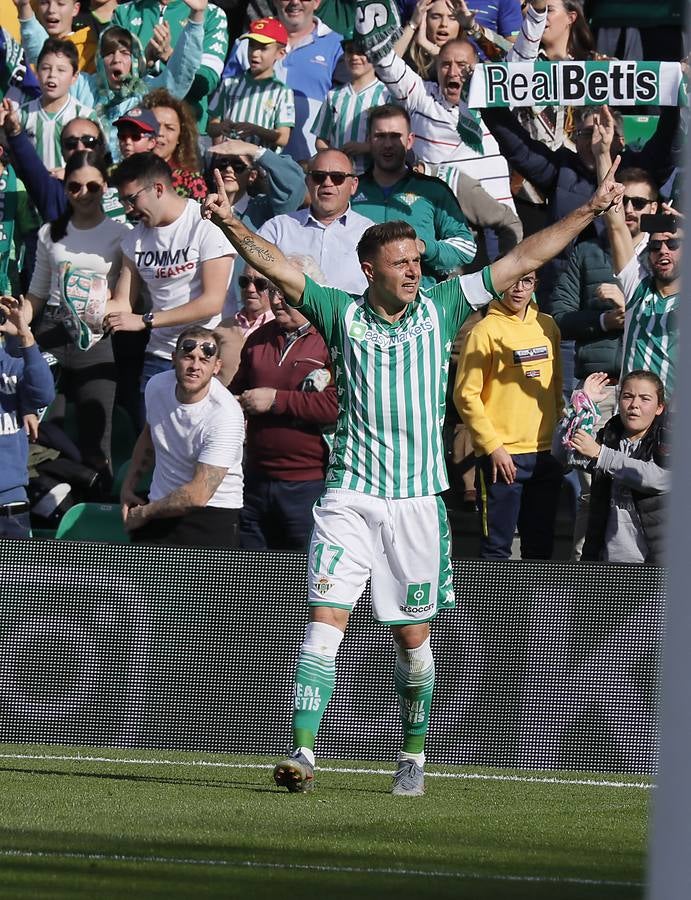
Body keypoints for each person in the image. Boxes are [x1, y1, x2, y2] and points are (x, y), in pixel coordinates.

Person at [202, 157, 624, 796]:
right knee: (326, 613)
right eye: (401, 263)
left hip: (417, 501)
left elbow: (522, 254)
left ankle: (413, 752)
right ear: (370, 270)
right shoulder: (338, 312)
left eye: (417, 261)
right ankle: (302, 751)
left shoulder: (446, 304)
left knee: (412, 636)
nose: (413, 271)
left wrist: (590, 211)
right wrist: (232, 219)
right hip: (348, 492)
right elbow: (278, 266)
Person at [551, 165, 659, 558]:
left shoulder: (666, 253)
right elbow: (559, 316)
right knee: (591, 491)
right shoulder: (587, 251)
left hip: (647, 396)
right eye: (621, 200)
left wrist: (627, 307)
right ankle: (588, 575)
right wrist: (601, 319)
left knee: (643, 491)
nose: (629, 209)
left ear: (656, 206)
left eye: (639, 202)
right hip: (597, 390)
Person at [25, 149, 128, 486]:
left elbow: (128, 298)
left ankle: (96, 510)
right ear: (65, 188)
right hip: (51, 329)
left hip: (97, 333)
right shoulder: (49, 232)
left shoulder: (122, 232)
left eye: (93, 187)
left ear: (106, 186)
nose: (83, 195)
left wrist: (101, 308)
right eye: (74, 187)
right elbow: (37, 294)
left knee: (97, 432)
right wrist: (16, 321)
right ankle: (58, 498)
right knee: (41, 427)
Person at [104, 151, 235, 416]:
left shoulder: (205, 224)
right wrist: (83, 305)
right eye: (123, 201)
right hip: (159, 357)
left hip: (204, 355)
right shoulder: (135, 241)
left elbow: (212, 303)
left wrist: (146, 320)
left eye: (132, 199)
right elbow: (122, 304)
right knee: (152, 444)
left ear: (159, 188)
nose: (129, 209)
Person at [230, 255, 338, 551]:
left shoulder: (333, 339)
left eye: (286, 293)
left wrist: (276, 400)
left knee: (302, 578)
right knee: (252, 577)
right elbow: (234, 393)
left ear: (311, 293)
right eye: (273, 291)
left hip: (307, 483)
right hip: (255, 479)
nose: (277, 301)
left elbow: (337, 406)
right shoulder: (258, 339)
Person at [454, 271, 564, 559]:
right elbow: (465, 395)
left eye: (527, 281)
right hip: (502, 458)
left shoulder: (547, 325)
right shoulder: (484, 330)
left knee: (540, 547)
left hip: (544, 454)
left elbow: (555, 385)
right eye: (512, 280)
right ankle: (493, 605)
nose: (518, 288)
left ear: (536, 285)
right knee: (497, 549)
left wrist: (559, 437)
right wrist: (492, 446)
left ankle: (537, 605)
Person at [120, 325, 244, 547]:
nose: (195, 366)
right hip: (158, 506)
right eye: (188, 357)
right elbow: (150, 434)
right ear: (173, 358)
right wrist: (128, 486)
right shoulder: (156, 386)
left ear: (217, 367)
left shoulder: (225, 414)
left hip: (211, 515)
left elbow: (198, 495)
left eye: (204, 361)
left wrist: (144, 513)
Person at [593, 107, 680, 395]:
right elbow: (616, 224)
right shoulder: (636, 287)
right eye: (655, 245)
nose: (663, 251)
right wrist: (602, 153)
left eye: (673, 244)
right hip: (631, 424)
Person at [352, 104, 477, 288]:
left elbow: (466, 247)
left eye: (396, 136)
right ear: (369, 140)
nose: (388, 144)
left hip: (419, 305)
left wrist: (424, 247)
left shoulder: (433, 190)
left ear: (410, 140)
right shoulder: (350, 189)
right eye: (380, 136)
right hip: (358, 303)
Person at [554, 369, 669, 565]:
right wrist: (582, 406)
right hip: (607, 560)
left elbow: (660, 478)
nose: (634, 405)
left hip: (657, 563)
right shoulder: (609, 435)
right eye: (628, 396)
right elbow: (563, 455)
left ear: (659, 408)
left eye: (645, 399)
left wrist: (601, 455)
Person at [223, 0, 343, 161]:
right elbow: (224, 105)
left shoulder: (338, 45)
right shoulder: (246, 43)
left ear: (316, 2)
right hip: (247, 165)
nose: (294, 2)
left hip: (308, 166)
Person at [206, 137, 306, 316]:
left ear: (252, 175)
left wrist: (254, 150)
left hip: (247, 314)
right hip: (205, 315)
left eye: (238, 165)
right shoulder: (201, 210)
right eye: (222, 164)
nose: (229, 169)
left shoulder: (263, 209)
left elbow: (295, 185)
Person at [257, 149, 376, 295]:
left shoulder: (370, 234)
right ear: (308, 182)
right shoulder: (277, 229)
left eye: (337, 177)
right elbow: (254, 281)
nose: (327, 182)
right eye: (319, 177)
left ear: (353, 185)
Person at [112, 0, 229, 129]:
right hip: (132, 129)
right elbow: (112, 81)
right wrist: (144, 62)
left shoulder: (212, 14)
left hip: (186, 129)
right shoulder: (124, 12)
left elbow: (204, 83)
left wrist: (170, 57)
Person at [0, 294, 55, 538]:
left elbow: (44, 395)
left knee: (14, 575)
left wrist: (26, 337)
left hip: (10, 500)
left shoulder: (12, 363)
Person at [208, 17, 295, 153]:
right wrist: (220, 127)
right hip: (228, 163)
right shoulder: (229, 83)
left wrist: (255, 130)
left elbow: (283, 137)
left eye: (263, 48)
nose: (254, 53)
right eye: (252, 46)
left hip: (261, 167)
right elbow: (211, 127)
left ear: (280, 53)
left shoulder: (282, 92)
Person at [312, 38, 391, 174]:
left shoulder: (386, 95)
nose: (354, 57)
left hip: (373, 176)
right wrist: (335, 155)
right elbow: (321, 140)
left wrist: (365, 147)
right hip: (339, 177)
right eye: (349, 51)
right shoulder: (333, 95)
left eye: (361, 52)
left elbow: (394, 142)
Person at [18, 38, 96, 172]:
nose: (52, 75)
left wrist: (68, 174)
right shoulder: (22, 114)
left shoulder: (85, 116)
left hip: (71, 189)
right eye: (46, 68)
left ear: (74, 77)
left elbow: (98, 161)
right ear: (37, 72)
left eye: (61, 70)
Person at [141, 88, 206, 200]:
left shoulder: (191, 181)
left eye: (169, 128)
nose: (160, 133)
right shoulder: (123, 173)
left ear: (180, 137)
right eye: (154, 125)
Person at [14, 0, 98, 73]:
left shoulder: (90, 53)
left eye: (60, 3)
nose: (51, 10)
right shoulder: (20, 43)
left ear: (75, 9)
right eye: (44, 2)